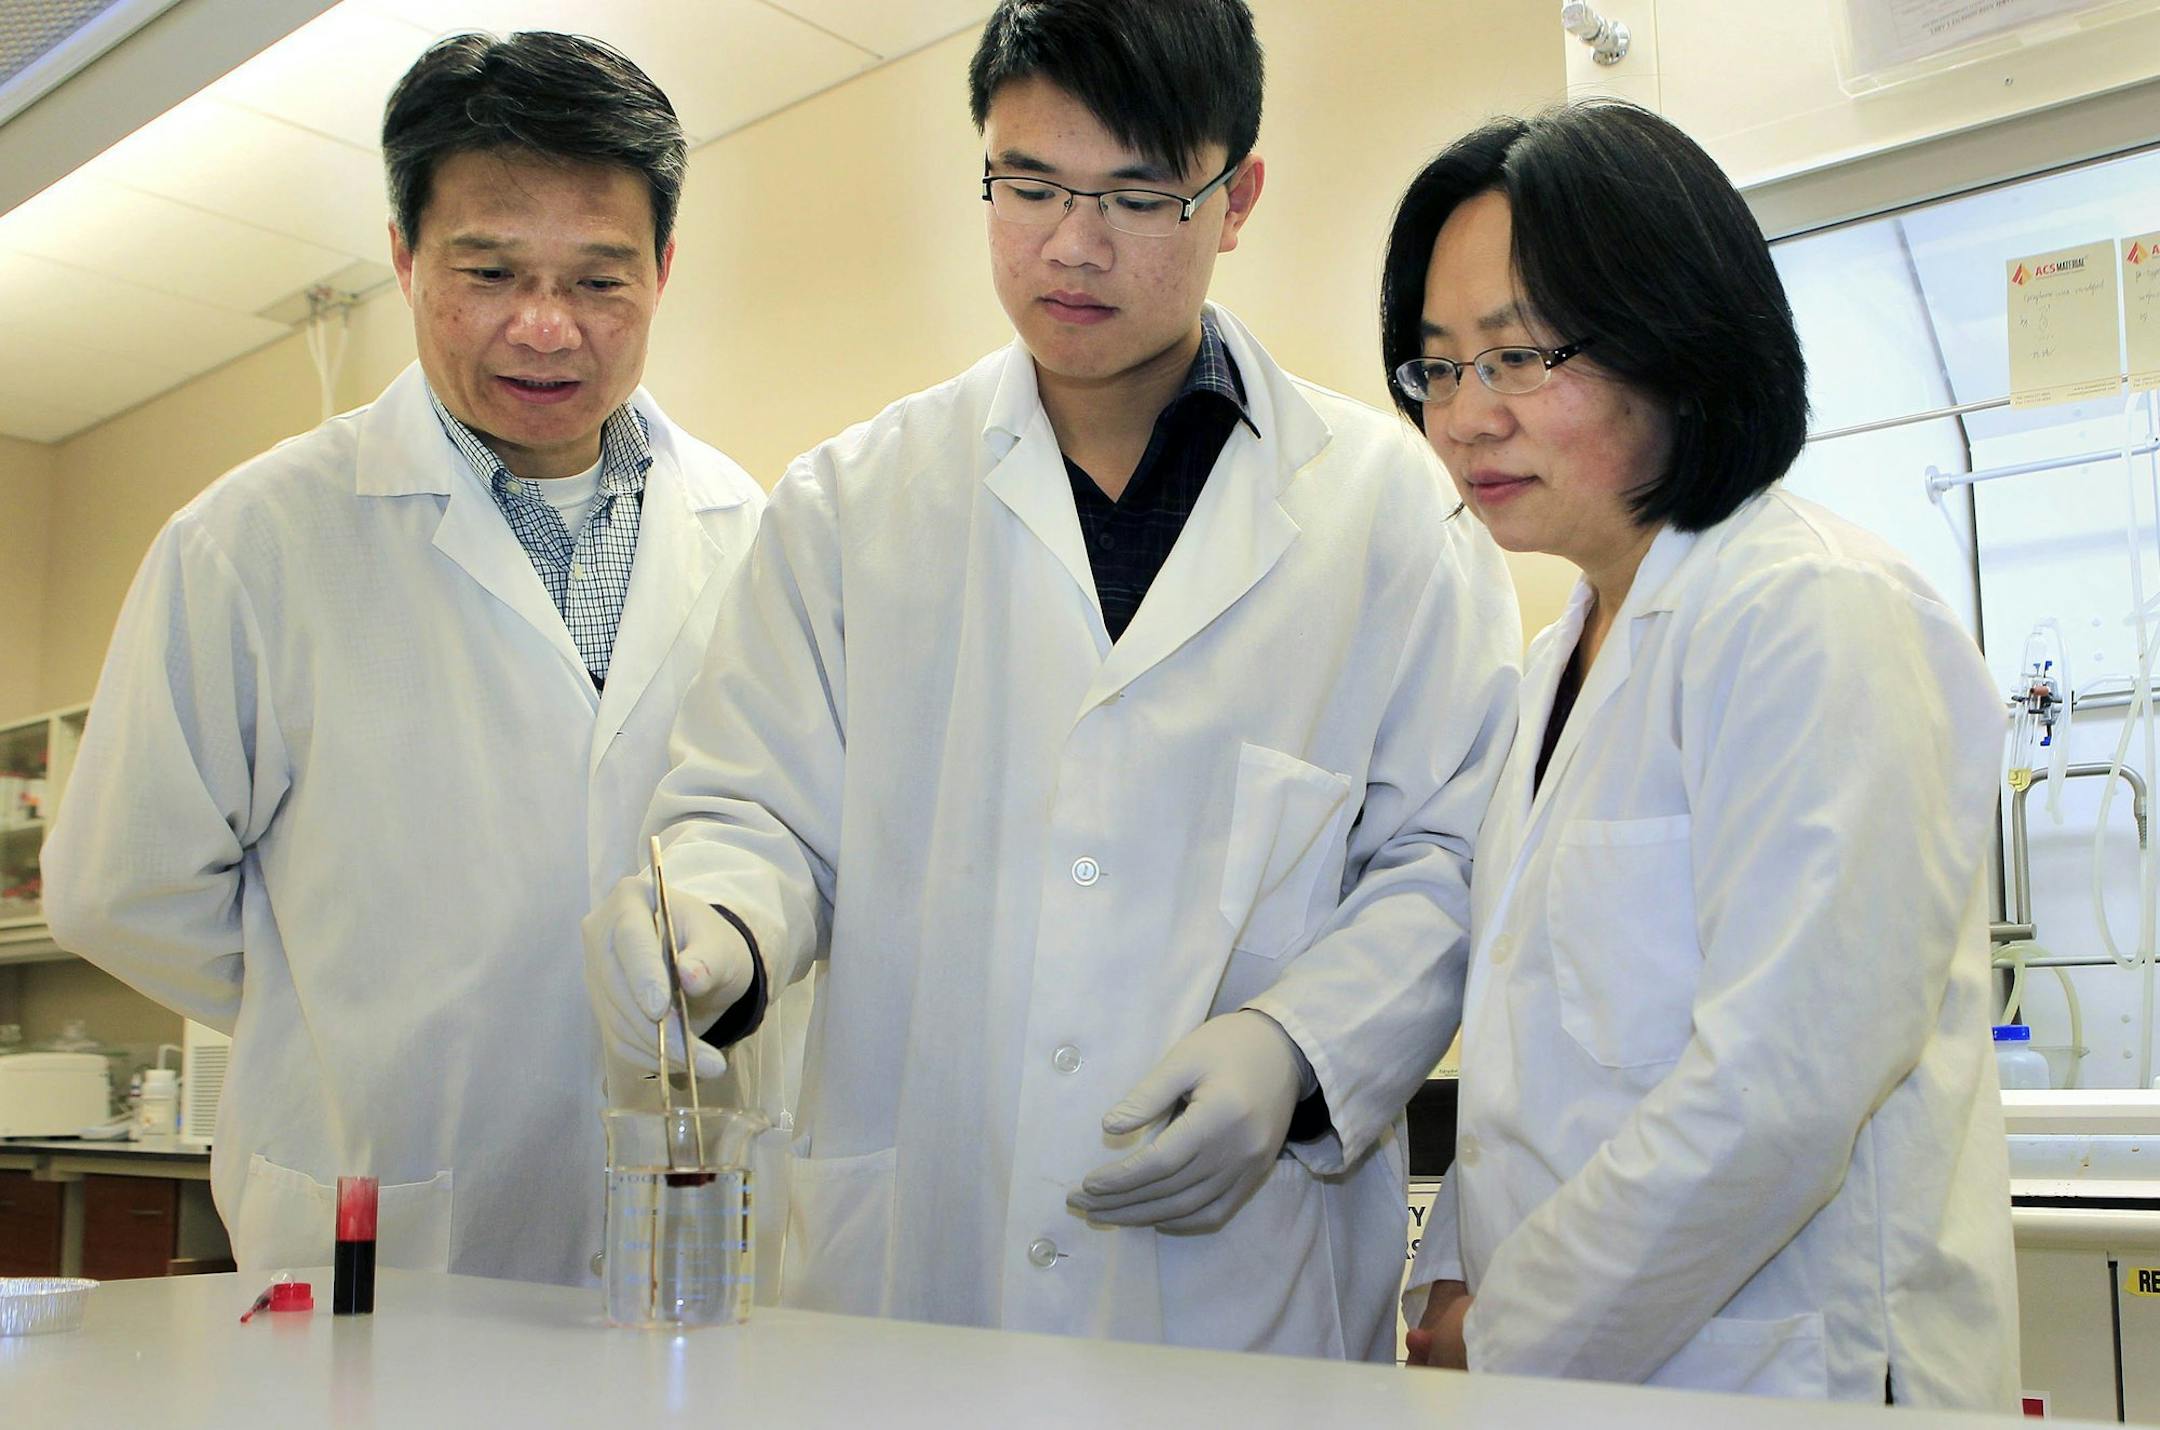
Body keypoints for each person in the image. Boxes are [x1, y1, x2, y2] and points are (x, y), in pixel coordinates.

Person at [584, 0, 1519, 1359]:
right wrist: (718, 926)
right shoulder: (851, 506)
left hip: (1243, 1297)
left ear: (1237, 197)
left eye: (1138, 197)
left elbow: (1445, 854)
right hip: (921, 1276)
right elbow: (757, 809)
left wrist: (1300, 1045)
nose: (1072, 246)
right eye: (1027, 187)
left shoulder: (1391, 515)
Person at [41, 32, 765, 1285]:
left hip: (673, 1217)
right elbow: (122, 886)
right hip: (381, 1210)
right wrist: (348, 1006)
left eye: (599, 279)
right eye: (489, 271)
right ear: (403, 255)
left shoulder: (749, 528)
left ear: (663, 269)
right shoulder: (250, 540)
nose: (545, 326)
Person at [1385, 101, 2018, 1406]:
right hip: (1587, 1369)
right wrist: (1452, 1277)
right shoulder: (1562, 654)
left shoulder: (1815, 612)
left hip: (1784, 1369)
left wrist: (1510, 1325)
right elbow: (1520, 1064)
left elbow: (1776, 1092)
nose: (1466, 418)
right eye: (1438, 368)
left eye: (1516, 356)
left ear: (1676, 341)